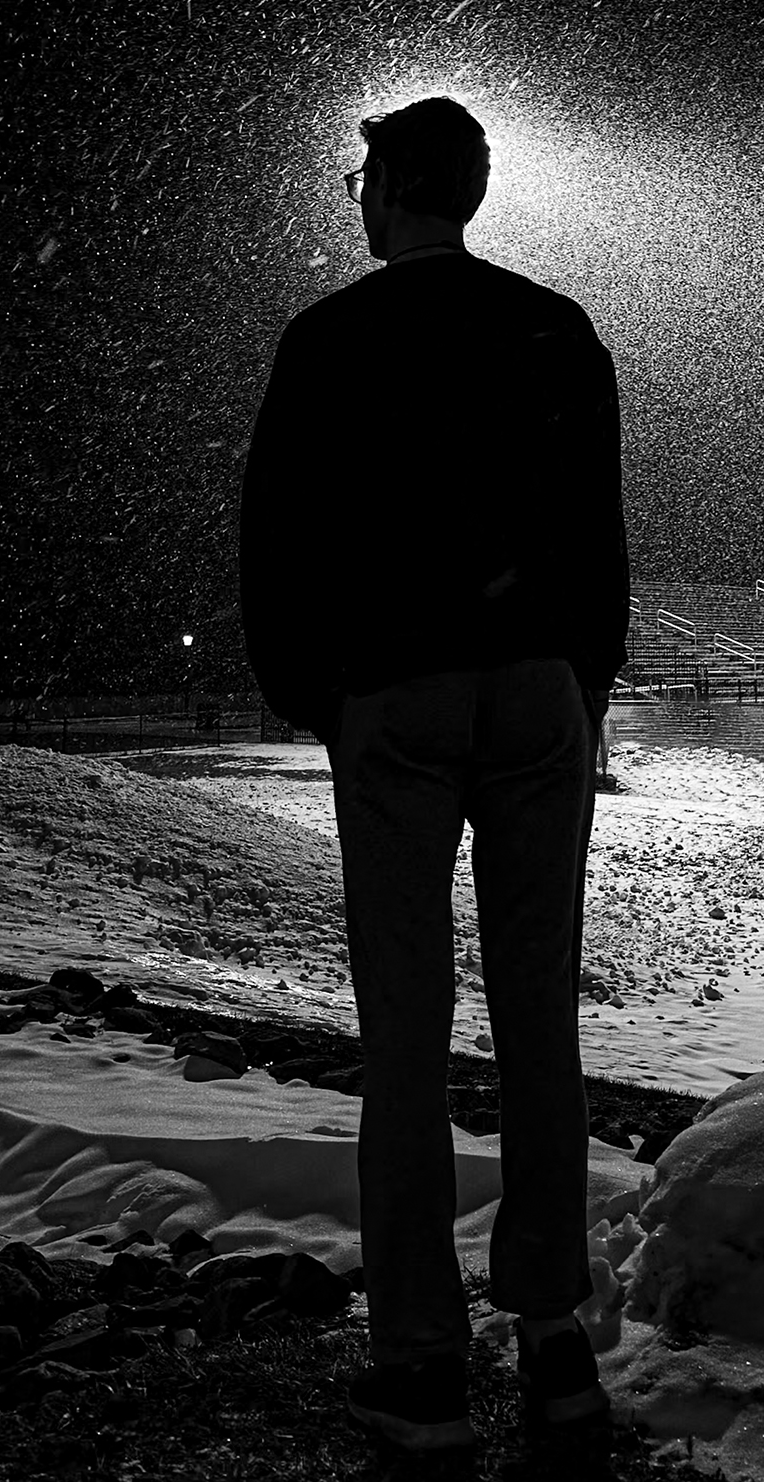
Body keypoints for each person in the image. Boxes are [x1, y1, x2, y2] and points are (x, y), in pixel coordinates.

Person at [240, 95, 629, 1453]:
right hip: (533, 690)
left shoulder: (334, 339)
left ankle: (418, 1359)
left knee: (404, 1033)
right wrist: (581, 683)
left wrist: (319, 696)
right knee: (540, 1023)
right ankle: (555, 1340)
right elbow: (596, 533)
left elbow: (277, 536)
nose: (356, 190)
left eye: (363, 174)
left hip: (397, 696)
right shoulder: (554, 327)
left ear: (395, 189)